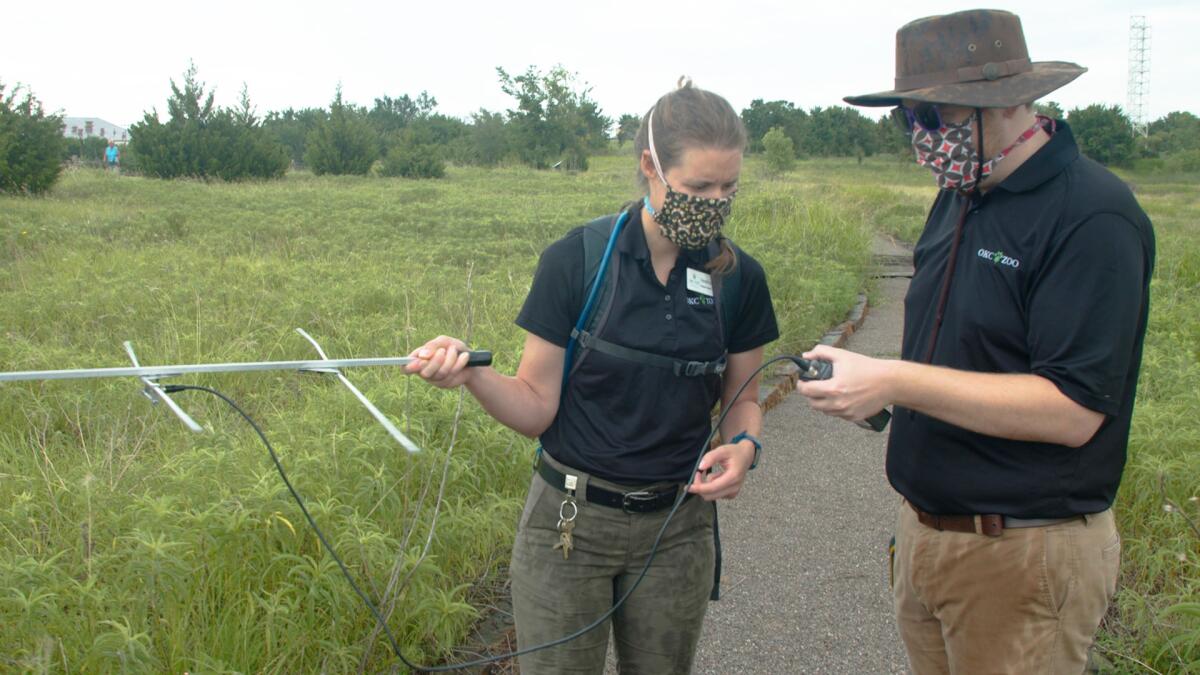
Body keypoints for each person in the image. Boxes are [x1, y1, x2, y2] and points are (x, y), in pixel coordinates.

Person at [796, 9, 1155, 674]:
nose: (922, 138)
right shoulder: (959, 196)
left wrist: (895, 380)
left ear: (1012, 101)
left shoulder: (1092, 216)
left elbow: (1074, 410)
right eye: (910, 119)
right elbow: (962, 355)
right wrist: (875, 392)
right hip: (929, 539)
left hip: (1022, 551)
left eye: (939, 119)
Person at [406, 80, 779, 674]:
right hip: (569, 526)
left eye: (728, 188)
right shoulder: (576, 260)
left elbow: (744, 397)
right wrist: (472, 378)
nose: (714, 203)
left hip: (677, 531)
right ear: (650, 168)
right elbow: (535, 406)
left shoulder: (739, 279)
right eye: (698, 187)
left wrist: (744, 446)